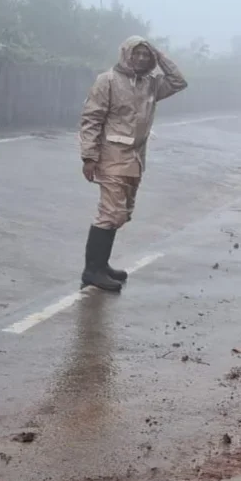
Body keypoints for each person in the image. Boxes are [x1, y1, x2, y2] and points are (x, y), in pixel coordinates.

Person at [78, 36, 188, 291]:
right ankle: (91, 270)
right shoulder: (107, 81)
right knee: (110, 213)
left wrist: (160, 55)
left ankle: (101, 265)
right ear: (125, 53)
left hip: (135, 158)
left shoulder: (150, 85)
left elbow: (178, 82)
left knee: (122, 214)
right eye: (136, 53)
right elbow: (91, 119)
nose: (141, 58)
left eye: (146, 55)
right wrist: (89, 157)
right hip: (111, 155)